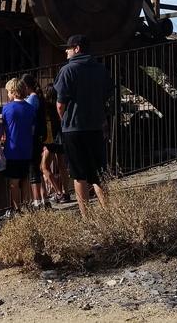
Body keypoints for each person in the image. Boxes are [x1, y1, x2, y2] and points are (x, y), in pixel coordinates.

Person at [53, 35, 114, 217]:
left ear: (77, 48)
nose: (66, 51)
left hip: (74, 128)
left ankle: (86, 215)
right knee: (99, 173)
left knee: (79, 174)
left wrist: (64, 119)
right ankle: (108, 212)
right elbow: (107, 95)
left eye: (68, 48)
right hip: (95, 126)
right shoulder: (101, 69)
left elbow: (60, 103)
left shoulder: (67, 70)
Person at [1, 78, 36, 217]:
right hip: (27, 148)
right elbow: (32, 129)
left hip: (12, 149)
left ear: (13, 92)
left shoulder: (7, 108)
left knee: (13, 182)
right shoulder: (31, 108)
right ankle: (26, 205)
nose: (8, 94)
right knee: (26, 179)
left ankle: (16, 209)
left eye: (8, 91)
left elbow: (4, 128)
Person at [21, 74, 50, 209]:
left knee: (33, 170)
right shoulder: (38, 98)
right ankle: (45, 199)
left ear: (26, 86)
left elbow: (25, 117)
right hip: (38, 136)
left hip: (31, 137)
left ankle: (36, 201)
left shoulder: (31, 100)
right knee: (38, 168)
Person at [41, 84, 71, 203]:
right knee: (62, 165)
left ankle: (58, 192)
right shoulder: (61, 105)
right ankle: (66, 192)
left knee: (44, 167)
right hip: (62, 137)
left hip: (51, 140)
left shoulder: (46, 108)